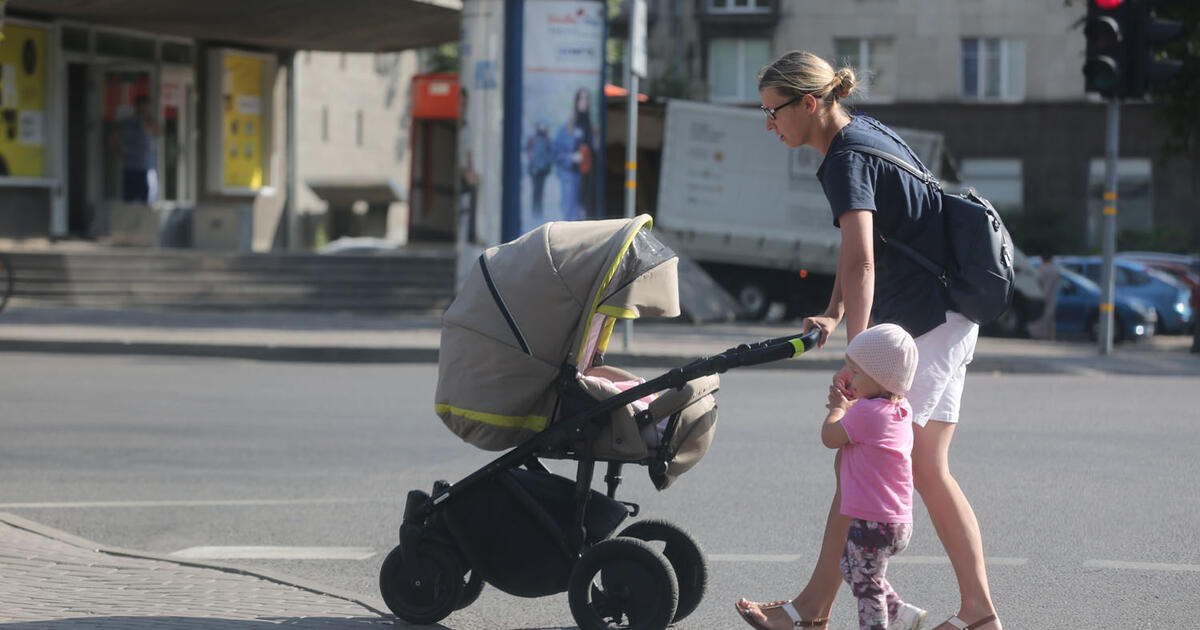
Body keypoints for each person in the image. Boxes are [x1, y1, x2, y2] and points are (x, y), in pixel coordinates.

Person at [735, 51, 1001, 630]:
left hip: (926, 326)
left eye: (773, 111)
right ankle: (977, 614)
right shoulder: (868, 133)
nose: (769, 124)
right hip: (951, 315)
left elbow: (862, 262)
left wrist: (860, 363)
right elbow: (866, 246)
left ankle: (810, 610)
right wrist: (832, 313)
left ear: (809, 104)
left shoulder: (843, 159)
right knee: (927, 467)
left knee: (857, 462)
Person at [116, 95, 159, 203]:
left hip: (145, 167)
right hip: (131, 167)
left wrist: (147, 122)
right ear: (137, 107)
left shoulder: (149, 122)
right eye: (142, 106)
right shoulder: (128, 122)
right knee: (129, 200)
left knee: (147, 201)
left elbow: (158, 132)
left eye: (146, 106)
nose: (144, 109)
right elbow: (114, 139)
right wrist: (121, 153)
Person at [1029, 253, 1060, 340]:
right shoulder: (1054, 270)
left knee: (1042, 318)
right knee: (1050, 318)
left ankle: (1042, 336)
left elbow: (1043, 285)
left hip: (1041, 297)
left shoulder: (1041, 269)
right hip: (1052, 298)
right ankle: (1051, 337)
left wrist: (1042, 297)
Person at [526, 120, 553, 217]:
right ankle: (535, 211)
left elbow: (549, 154)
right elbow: (529, 154)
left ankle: (539, 211)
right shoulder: (533, 139)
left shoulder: (546, 140)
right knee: (535, 191)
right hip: (535, 169)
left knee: (540, 191)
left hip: (542, 170)